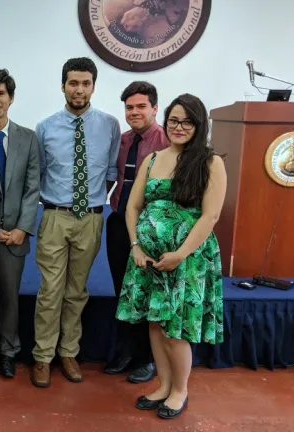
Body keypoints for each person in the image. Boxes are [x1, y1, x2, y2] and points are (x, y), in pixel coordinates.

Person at [116, 94, 226, 419]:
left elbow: (210, 217)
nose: (179, 127)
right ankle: (163, 385)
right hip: (148, 259)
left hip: (186, 259)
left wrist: (180, 253)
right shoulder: (152, 160)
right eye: (174, 120)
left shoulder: (210, 163)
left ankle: (180, 391)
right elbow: (133, 207)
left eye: (187, 121)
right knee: (155, 323)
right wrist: (136, 245)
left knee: (175, 329)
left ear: (199, 124)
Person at [31, 57, 120, 387]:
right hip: (54, 215)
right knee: (50, 290)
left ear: (93, 86)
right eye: (73, 83)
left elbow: (110, 173)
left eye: (85, 83)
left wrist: (91, 204)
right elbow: (38, 172)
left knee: (76, 291)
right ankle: (42, 356)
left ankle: (68, 352)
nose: (79, 89)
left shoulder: (110, 125)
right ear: (63, 85)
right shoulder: (45, 127)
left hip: (91, 219)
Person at [0, 69, 40, 378]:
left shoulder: (28, 138)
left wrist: (23, 228)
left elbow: (32, 186)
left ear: (11, 98)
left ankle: (8, 351)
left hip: (15, 234)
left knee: (11, 297)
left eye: (1, 94)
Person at [104, 81, 170, 383]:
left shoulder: (167, 142)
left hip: (151, 229)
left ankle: (147, 358)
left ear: (155, 108)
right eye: (129, 107)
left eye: (141, 106)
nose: (134, 112)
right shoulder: (123, 140)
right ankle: (127, 351)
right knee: (123, 291)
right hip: (119, 221)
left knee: (146, 294)